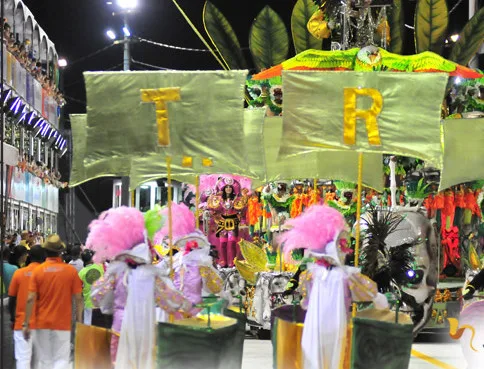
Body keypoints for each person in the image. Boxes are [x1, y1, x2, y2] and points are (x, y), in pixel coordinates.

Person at [280, 205, 388, 369]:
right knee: (332, 358)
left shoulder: (314, 274)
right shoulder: (341, 275)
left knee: (316, 357)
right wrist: (378, 298)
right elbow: (365, 290)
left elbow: (305, 298)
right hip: (333, 327)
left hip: (316, 327)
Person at [87, 207, 196, 368]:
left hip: (120, 328)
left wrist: (110, 307)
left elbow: (97, 297)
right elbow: (170, 300)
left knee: (120, 363)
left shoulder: (116, 271)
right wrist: (189, 308)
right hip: (146, 328)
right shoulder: (152, 274)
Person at [22, 234, 83, 369]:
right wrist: (79, 321)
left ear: (46, 251)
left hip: (41, 323)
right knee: (61, 360)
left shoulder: (38, 271)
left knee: (44, 361)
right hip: (63, 324)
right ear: (60, 251)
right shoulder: (70, 271)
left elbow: (31, 298)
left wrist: (26, 323)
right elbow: (78, 299)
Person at [8, 245, 46, 369]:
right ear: (44, 257)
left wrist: (13, 319)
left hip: (22, 323)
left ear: (30, 256)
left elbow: (12, 299)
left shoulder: (19, 273)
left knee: (23, 360)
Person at [78, 249, 104, 326]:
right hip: (100, 300)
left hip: (89, 302)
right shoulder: (100, 267)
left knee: (88, 324)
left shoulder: (81, 273)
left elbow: (80, 289)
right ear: (92, 258)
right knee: (101, 324)